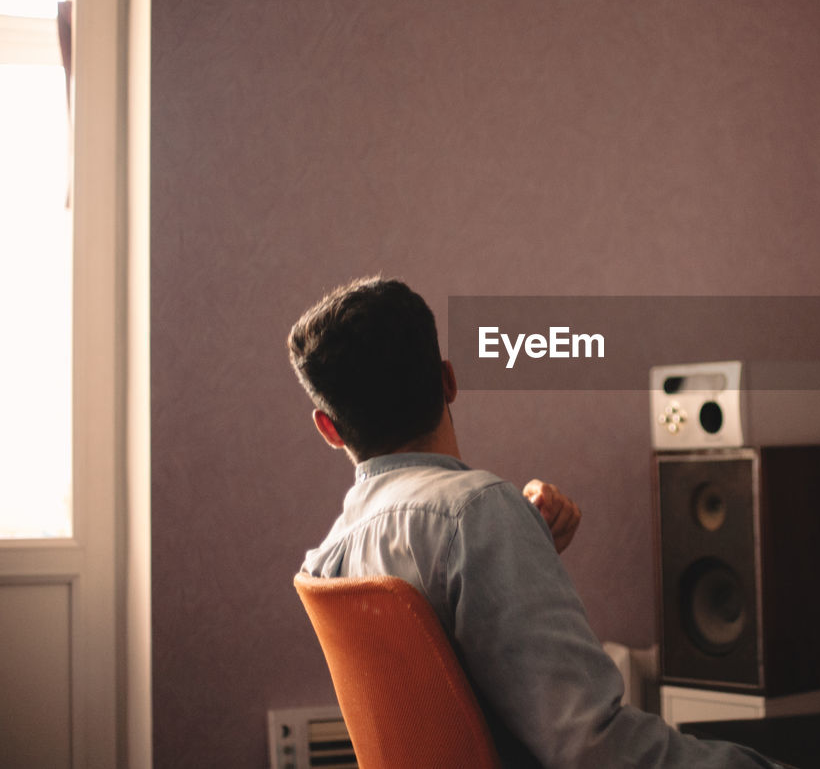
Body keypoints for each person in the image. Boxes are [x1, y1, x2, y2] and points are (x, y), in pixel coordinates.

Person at [289, 276, 777, 768]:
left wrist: (522, 551)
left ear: (328, 428)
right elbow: (597, 748)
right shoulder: (473, 513)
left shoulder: (331, 556)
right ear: (449, 380)